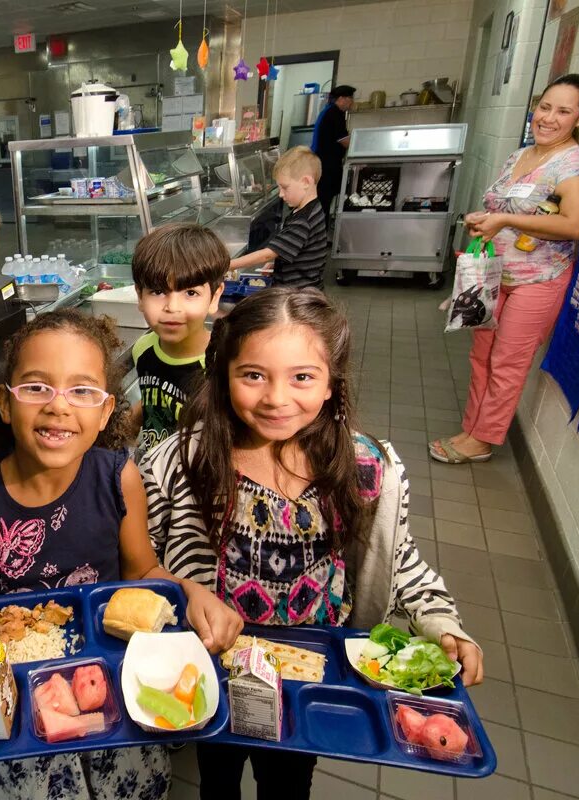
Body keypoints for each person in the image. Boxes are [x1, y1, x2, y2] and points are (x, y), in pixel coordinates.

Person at [0, 309, 243, 800]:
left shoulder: (118, 478)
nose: (59, 406)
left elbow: (143, 571)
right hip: (13, 707)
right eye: (37, 387)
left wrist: (189, 591)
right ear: (4, 402)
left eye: (82, 390)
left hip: (107, 691)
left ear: (106, 411)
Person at [141, 288, 484, 800]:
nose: (277, 398)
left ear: (331, 384)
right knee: (218, 774)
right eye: (253, 375)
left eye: (302, 377)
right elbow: (142, 559)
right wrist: (182, 590)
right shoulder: (181, 462)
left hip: (310, 674)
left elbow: (401, 558)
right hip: (210, 661)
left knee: (288, 781)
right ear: (223, 375)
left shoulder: (365, 467)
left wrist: (440, 620)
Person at [430, 74, 579, 465]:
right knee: (481, 355)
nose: (549, 118)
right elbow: (505, 208)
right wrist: (485, 218)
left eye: (563, 111)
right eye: (544, 107)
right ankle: (471, 428)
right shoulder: (521, 155)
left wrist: (504, 222)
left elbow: (575, 224)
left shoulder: (575, 164)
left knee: (507, 363)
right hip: (495, 276)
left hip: (537, 282)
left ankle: (483, 440)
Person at [131, 223, 227, 458]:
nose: (172, 308)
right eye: (157, 291)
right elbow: (151, 402)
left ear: (214, 297)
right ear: (139, 296)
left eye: (190, 293)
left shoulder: (222, 364)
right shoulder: (143, 349)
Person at [229, 147, 328, 289]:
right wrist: (279, 263)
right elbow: (298, 249)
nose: (281, 194)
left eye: (285, 187)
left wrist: (229, 265)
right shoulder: (312, 208)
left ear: (306, 182)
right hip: (305, 289)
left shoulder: (303, 221)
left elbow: (266, 255)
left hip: (298, 295)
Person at [310, 85, 356, 223]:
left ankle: (319, 235)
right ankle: (318, 237)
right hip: (326, 166)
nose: (351, 103)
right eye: (350, 99)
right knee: (323, 203)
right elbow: (345, 141)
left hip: (323, 163)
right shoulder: (335, 114)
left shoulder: (329, 111)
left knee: (322, 203)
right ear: (341, 99)